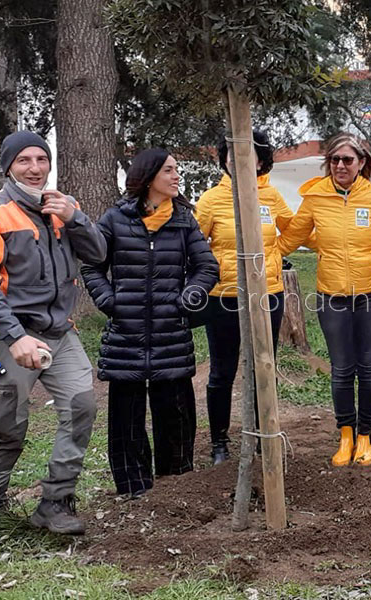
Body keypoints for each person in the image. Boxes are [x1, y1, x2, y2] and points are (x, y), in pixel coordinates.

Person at [0, 131, 107, 535]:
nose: (35, 168)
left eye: (42, 159)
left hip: (59, 331)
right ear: (8, 166)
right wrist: (15, 337)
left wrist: (75, 218)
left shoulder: (63, 207)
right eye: (24, 160)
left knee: (82, 408)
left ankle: (55, 502)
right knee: (7, 426)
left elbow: (98, 255)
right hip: (10, 335)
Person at [81, 148, 218, 498]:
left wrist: (187, 299)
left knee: (175, 414)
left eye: (176, 170)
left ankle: (175, 488)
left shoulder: (184, 221)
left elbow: (206, 267)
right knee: (125, 419)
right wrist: (109, 301)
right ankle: (133, 489)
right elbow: (92, 265)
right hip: (125, 337)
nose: (176, 176)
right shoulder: (115, 219)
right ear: (149, 176)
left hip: (171, 336)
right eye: (169, 170)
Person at [278, 133, 371, 467]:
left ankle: (365, 435)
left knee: (368, 367)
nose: (341, 165)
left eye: (347, 160)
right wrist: (260, 252)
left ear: (361, 163)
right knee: (341, 369)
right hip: (332, 296)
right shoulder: (315, 197)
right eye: (334, 160)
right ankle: (346, 435)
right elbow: (291, 238)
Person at [195, 130, 292, 464]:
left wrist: (275, 254)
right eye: (232, 154)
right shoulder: (211, 200)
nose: (239, 161)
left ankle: (264, 436)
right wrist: (215, 270)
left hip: (267, 295)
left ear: (261, 162)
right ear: (224, 160)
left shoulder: (272, 197)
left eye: (248, 154)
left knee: (264, 366)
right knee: (222, 371)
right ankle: (220, 443)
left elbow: (292, 230)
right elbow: (195, 244)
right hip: (224, 296)